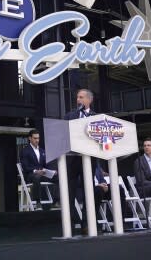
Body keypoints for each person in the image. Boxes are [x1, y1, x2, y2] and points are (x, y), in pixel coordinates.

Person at [63, 88, 97, 231]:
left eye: (81, 97)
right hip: (72, 159)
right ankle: (69, 224)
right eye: (77, 97)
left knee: (88, 191)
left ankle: (86, 224)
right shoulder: (70, 116)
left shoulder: (97, 118)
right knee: (69, 192)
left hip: (90, 159)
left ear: (89, 100)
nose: (78, 100)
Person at [19, 129, 54, 210]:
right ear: (30, 138)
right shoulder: (25, 151)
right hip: (30, 175)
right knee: (36, 177)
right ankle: (38, 202)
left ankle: (57, 200)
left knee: (57, 176)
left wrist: (52, 171)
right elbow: (25, 167)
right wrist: (36, 171)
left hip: (43, 174)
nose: (37, 140)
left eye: (38, 138)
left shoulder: (42, 151)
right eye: (35, 138)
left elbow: (46, 165)